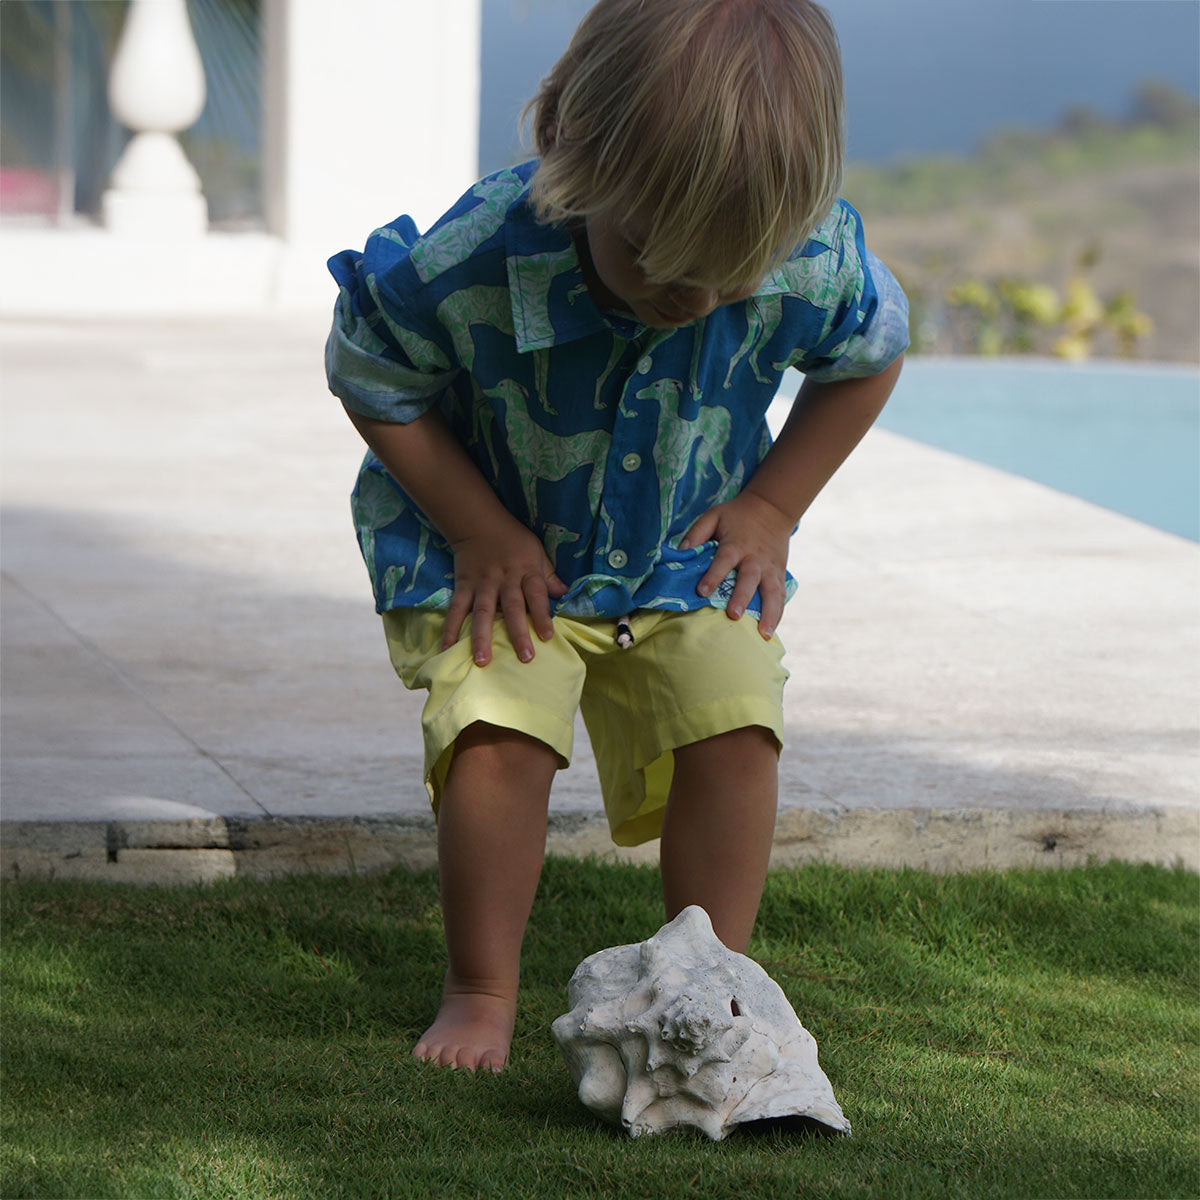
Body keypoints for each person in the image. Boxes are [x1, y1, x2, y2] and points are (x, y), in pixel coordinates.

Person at [325, 0, 908, 1073]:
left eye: (729, 278)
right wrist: (479, 529)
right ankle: (480, 990)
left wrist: (774, 506)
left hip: (679, 550)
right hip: (508, 555)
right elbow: (371, 371)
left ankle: (711, 981)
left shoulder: (804, 249)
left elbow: (869, 355)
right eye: (656, 261)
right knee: (500, 726)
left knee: (734, 717)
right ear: (568, 146)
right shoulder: (477, 255)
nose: (692, 300)